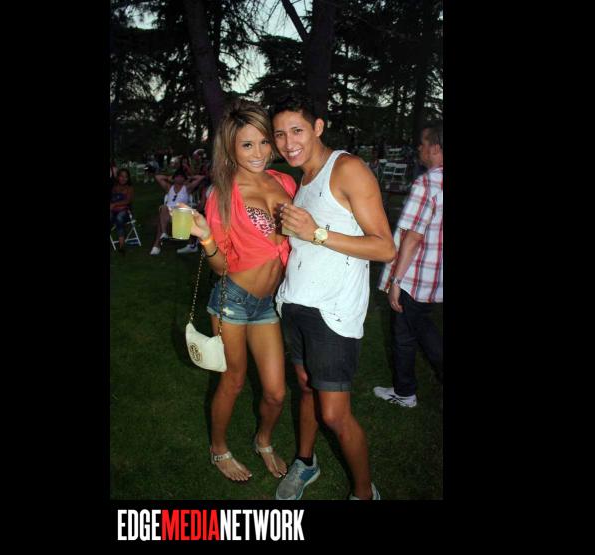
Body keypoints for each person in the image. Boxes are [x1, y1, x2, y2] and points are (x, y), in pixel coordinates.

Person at [270, 95, 396, 500]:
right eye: (280, 134)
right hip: (295, 303)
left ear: (318, 127)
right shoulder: (303, 180)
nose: (288, 143)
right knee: (306, 387)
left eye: (297, 131)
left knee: (334, 414)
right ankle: (305, 462)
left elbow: (384, 247)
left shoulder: (347, 169)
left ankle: (364, 493)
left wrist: (316, 233)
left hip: (333, 312)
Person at [178, 98, 297, 482]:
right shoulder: (223, 194)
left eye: (263, 142)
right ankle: (219, 448)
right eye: (247, 145)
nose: (259, 152)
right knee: (233, 380)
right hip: (233, 300)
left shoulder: (284, 182)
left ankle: (263, 440)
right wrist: (206, 238)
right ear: (230, 148)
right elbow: (221, 266)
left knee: (276, 392)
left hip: (269, 303)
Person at [374, 122, 443, 409]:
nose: (419, 148)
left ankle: (405, 393)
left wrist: (396, 281)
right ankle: (405, 389)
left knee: (406, 333)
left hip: (414, 277)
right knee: (418, 326)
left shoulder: (427, 184)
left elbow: (412, 237)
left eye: (422, 144)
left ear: (435, 148)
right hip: (436, 276)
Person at [150, 169, 204, 256]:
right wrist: (168, 178)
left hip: (181, 214)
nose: (179, 178)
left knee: (161, 219)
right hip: (169, 214)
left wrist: (189, 178)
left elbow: (200, 178)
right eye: (177, 176)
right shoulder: (169, 187)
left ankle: (157, 244)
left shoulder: (187, 188)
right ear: (174, 178)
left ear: (184, 178)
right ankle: (164, 233)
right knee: (163, 208)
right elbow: (158, 177)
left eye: (181, 177)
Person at [110, 168, 135, 253]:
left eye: (126, 177)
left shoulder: (129, 188)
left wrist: (115, 204)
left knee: (119, 218)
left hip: (125, 212)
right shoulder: (114, 187)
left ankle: (122, 245)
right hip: (114, 211)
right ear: (118, 177)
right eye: (121, 176)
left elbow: (127, 201)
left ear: (128, 178)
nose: (123, 178)